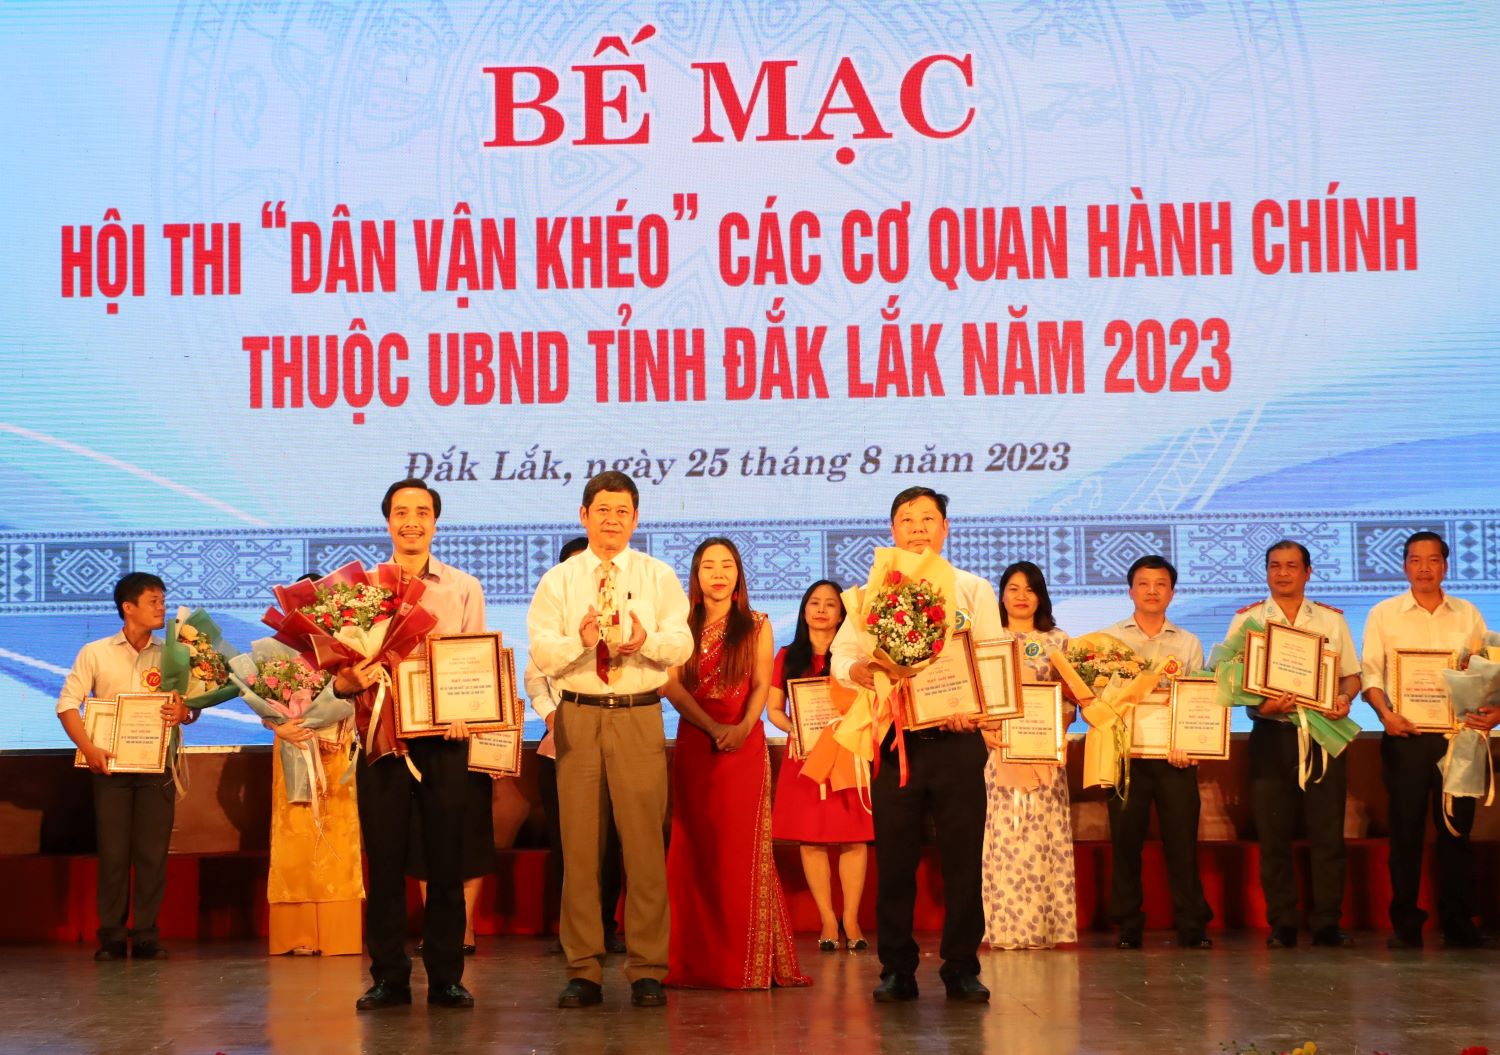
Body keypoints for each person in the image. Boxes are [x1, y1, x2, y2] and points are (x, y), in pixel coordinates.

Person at [527, 471, 692, 1009]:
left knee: (643, 847)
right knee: (580, 849)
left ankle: (647, 969)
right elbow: (542, 653)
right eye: (602, 510)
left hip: (638, 714)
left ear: (636, 519)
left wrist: (646, 641)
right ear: (584, 516)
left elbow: (681, 643)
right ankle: (584, 969)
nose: (612, 520)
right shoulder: (559, 580)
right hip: (578, 714)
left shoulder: (657, 575)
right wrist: (580, 643)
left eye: (622, 511)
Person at [831, 486, 999, 1004]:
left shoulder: (972, 589)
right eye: (908, 519)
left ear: (945, 528)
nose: (919, 527)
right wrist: (859, 670)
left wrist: (976, 707)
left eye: (929, 518)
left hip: (957, 741)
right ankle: (896, 968)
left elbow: (992, 657)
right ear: (892, 530)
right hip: (895, 740)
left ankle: (961, 966)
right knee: (896, 859)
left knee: (963, 859)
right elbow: (840, 658)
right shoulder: (870, 595)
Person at [345, 478, 485, 1011]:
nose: (412, 521)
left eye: (422, 512)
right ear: (388, 522)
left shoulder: (463, 588)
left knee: (446, 860)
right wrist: (347, 681)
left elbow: (474, 663)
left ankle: (447, 975)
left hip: (443, 740)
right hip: (381, 737)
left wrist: (468, 711)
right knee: (383, 862)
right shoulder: (359, 591)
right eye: (401, 512)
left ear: (435, 523)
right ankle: (388, 977)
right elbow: (339, 675)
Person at [662, 538, 811, 989]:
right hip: (696, 743)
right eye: (708, 566)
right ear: (696, 575)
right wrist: (712, 727)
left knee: (739, 852)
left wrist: (745, 727)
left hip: (743, 746)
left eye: (727, 565)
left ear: (739, 574)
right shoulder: (679, 625)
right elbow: (670, 686)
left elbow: (763, 683)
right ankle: (693, 963)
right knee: (695, 851)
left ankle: (744, 965)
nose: (718, 574)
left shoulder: (757, 624)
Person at [1224, 540, 1360, 950]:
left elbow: (1351, 675)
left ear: (1307, 572)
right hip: (1271, 735)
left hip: (1322, 735)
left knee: (1328, 833)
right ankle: (1282, 923)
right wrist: (1261, 705)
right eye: (1274, 566)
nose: (1282, 573)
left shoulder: (1331, 620)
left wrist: (1343, 698)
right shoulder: (1248, 620)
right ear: (1266, 571)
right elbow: (1229, 682)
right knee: (1273, 834)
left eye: (1291, 566)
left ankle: (1326, 922)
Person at [1361, 531, 1493, 949]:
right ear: (1404, 566)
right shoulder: (1384, 614)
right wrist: (1386, 715)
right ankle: (1406, 923)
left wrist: (1492, 711)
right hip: (1406, 736)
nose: (1424, 568)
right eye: (1415, 560)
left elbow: (1485, 672)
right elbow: (1371, 674)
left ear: (1445, 566)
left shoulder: (1468, 614)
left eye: (1433, 560)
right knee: (1406, 833)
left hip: (1458, 738)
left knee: (1456, 831)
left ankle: (1458, 921)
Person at [57, 572, 192, 961]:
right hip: (110, 768)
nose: (162, 608)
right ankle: (112, 936)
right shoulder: (95, 652)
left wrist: (185, 712)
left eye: (163, 600)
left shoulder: (174, 654)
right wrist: (88, 748)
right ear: (128, 607)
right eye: (153, 601)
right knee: (114, 854)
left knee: (152, 855)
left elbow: (191, 706)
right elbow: (67, 704)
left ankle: (147, 934)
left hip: (157, 767)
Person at [1096, 554, 1211, 950]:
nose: (1152, 591)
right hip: (1125, 757)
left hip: (1175, 757)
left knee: (1183, 843)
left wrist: (1191, 744)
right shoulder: (1108, 641)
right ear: (1130, 591)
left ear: (1172, 593)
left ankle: (1192, 924)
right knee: (1126, 843)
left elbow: (1198, 701)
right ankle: (1128, 924)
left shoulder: (1188, 642)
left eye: (1160, 584)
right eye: (1143, 584)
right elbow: (1097, 701)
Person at [526, 536, 626, 957]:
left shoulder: (623, 611)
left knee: (614, 840)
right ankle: (572, 929)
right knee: (568, 841)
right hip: (562, 740)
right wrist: (553, 716)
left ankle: (606, 926)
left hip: (618, 737)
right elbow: (535, 679)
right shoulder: (553, 622)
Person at [767, 579, 872, 952]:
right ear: (804, 610)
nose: (823, 609)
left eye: (831, 604)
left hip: (848, 752)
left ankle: (851, 919)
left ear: (842, 614)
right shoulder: (787, 656)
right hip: (806, 756)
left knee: (853, 837)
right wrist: (795, 728)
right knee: (811, 838)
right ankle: (828, 918)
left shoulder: (854, 658)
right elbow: (774, 710)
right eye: (815, 602)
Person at [262, 573, 363, 957]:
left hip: (338, 751)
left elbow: (360, 695)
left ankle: (338, 935)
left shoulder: (349, 649)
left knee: (337, 838)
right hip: (293, 746)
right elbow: (264, 700)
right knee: (296, 837)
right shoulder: (278, 650)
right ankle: (296, 933)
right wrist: (277, 722)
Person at [979, 561, 1077, 950]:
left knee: (1041, 836)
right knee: (1006, 836)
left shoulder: (1059, 640)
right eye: (1014, 589)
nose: (1022, 596)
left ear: (1041, 596)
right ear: (1001, 596)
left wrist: (1059, 727)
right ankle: (1005, 927)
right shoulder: (987, 639)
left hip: (1044, 754)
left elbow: (1070, 699)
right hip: (998, 752)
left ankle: (1044, 927)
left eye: (1030, 589)